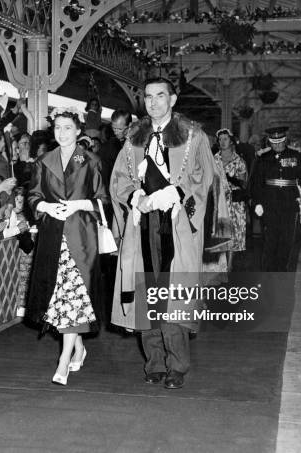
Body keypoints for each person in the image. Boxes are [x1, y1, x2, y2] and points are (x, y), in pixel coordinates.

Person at [109, 77, 216, 389]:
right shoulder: (134, 136)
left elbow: (204, 177)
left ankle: (177, 365)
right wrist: (134, 197)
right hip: (143, 222)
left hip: (176, 223)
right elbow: (119, 178)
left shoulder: (193, 135)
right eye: (148, 97)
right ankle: (154, 362)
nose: (153, 102)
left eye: (160, 96)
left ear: (173, 100)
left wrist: (176, 193)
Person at [26, 107, 109, 386]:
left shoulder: (90, 160)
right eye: (57, 127)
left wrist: (78, 204)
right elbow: (32, 197)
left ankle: (63, 360)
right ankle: (78, 348)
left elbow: (102, 199)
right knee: (60, 297)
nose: (61, 133)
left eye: (67, 128)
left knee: (74, 294)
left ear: (78, 131)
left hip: (81, 236)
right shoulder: (43, 161)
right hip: (52, 235)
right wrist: (46, 206)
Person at [252, 126, 301, 272]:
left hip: (290, 204)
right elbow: (257, 182)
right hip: (269, 203)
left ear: (285, 140)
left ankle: (282, 272)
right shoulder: (263, 158)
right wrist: (257, 202)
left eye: (280, 142)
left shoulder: (296, 156)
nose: (277, 145)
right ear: (269, 142)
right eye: (274, 142)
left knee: (287, 241)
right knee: (270, 240)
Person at [214, 128, 247, 271]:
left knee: (234, 231)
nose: (222, 142)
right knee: (221, 231)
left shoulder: (239, 160)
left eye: (225, 139)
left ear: (231, 141)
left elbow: (243, 182)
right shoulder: (214, 159)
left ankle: (230, 262)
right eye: (220, 139)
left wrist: (230, 179)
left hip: (234, 201)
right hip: (218, 200)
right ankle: (220, 262)